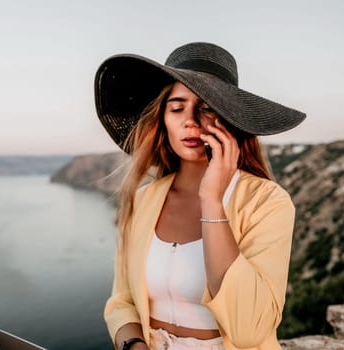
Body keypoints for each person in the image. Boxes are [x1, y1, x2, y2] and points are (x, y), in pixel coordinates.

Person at [94, 42, 306, 350]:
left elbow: (249, 330)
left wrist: (212, 200)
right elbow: (121, 301)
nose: (190, 120)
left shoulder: (267, 201)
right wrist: (133, 345)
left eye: (206, 107)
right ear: (162, 121)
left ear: (229, 119)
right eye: (177, 107)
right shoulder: (143, 200)